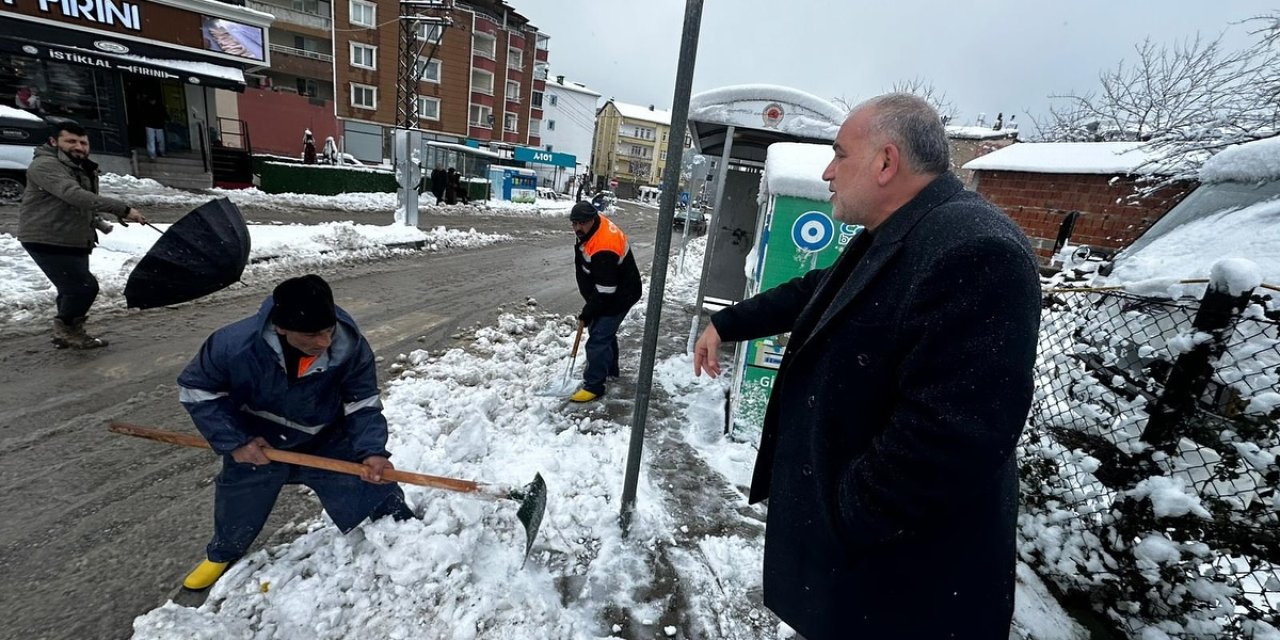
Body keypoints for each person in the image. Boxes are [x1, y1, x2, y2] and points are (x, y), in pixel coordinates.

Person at [692, 93, 1041, 639]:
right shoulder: (905, 231)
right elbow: (819, 288)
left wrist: (845, 516)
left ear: (885, 162)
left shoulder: (975, 250)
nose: (828, 173)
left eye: (839, 155)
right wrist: (728, 322)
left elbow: (953, 436)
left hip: (903, 589)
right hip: (868, 571)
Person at [177, 274, 415, 591]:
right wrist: (236, 441)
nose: (325, 343)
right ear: (281, 327)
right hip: (258, 441)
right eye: (313, 335)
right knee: (240, 499)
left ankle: (411, 537)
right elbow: (196, 390)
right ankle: (224, 552)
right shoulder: (233, 346)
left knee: (373, 488)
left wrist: (372, 451)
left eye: (328, 330)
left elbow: (363, 402)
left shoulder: (350, 346)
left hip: (325, 437)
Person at [18, 120, 147, 349]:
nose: (79, 146)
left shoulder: (78, 166)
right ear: (54, 141)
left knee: (70, 289)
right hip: (48, 237)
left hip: (73, 237)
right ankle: (68, 330)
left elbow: (73, 204)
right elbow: (73, 195)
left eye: (83, 142)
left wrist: (97, 223)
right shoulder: (46, 165)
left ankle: (64, 333)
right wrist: (124, 209)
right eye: (71, 141)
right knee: (84, 287)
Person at [569, 201, 642, 402]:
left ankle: (594, 386)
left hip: (620, 294)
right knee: (603, 332)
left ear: (592, 219)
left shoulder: (604, 246)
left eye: (581, 223)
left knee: (599, 336)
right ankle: (610, 371)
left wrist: (588, 311)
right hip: (610, 288)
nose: (577, 228)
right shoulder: (594, 228)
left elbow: (606, 290)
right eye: (574, 223)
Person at [140, 94, 167, 160]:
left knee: (153, 140)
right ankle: (156, 153)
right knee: (157, 140)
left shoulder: (147, 107)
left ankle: (155, 153)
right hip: (156, 125)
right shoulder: (159, 107)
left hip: (152, 125)